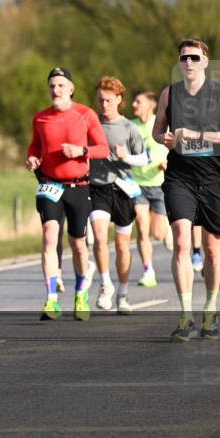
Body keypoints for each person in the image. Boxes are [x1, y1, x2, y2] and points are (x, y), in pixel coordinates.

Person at [152, 39, 220, 341]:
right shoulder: (169, 93)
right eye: (183, 58)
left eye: (194, 57)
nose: (188, 62)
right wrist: (163, 138)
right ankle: (185, 315)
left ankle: (209, 310)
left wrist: (198, 134)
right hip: (180, 176)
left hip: (215, 176)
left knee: (214, 247)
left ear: (205, 61)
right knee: (180, 241)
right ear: (179, 63)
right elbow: (156, 130)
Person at [26, 67, 108, 321]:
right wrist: (31, 159)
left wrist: (82, 151)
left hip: (78, 186)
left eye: (61, 85)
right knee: (50, 238)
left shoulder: (86, 114)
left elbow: (103, 149)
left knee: (78, 244)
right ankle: (51, 299)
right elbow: (35, 147)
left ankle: (81, 294)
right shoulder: (40, 118)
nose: (56, 90)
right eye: (52, 85)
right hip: (50, 186)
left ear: (71, 89)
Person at [87, 77, 148, 315]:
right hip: (98, 187)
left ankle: (123, 293)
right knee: (100, 237)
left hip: (123, 189)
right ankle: (105, 284)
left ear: (119, 100)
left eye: (109, 100)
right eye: (100, 100)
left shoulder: (129, 127)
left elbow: (143, 159)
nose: (104, 105)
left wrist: (126, 158)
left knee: (123, 246)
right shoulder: (91, 124)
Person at [129, 91, 172, 288]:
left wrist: (168, 162)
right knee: (141, 227)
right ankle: (148, 270)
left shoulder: (161, 123)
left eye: (138, 101)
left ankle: (168, 229)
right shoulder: (131, 126)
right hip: (137, 183)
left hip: (160, 184)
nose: (133, 104)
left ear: (150, 105)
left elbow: (176, 146)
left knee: (158, 234)